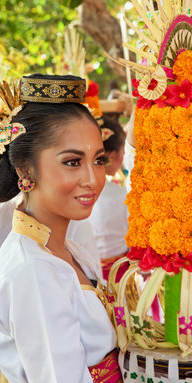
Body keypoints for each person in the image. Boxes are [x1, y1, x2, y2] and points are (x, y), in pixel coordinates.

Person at [0, 75, 127, 383]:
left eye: (98, 160)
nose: (93, 179)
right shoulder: (33, 271)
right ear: (26, 171)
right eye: (72, 162)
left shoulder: (61, 248)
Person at [88, 117, 128, 281]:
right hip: (120, 276)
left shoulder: (74, 193)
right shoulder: (122, 195)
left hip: (86, 274)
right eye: (123, 152)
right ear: (111, 155)